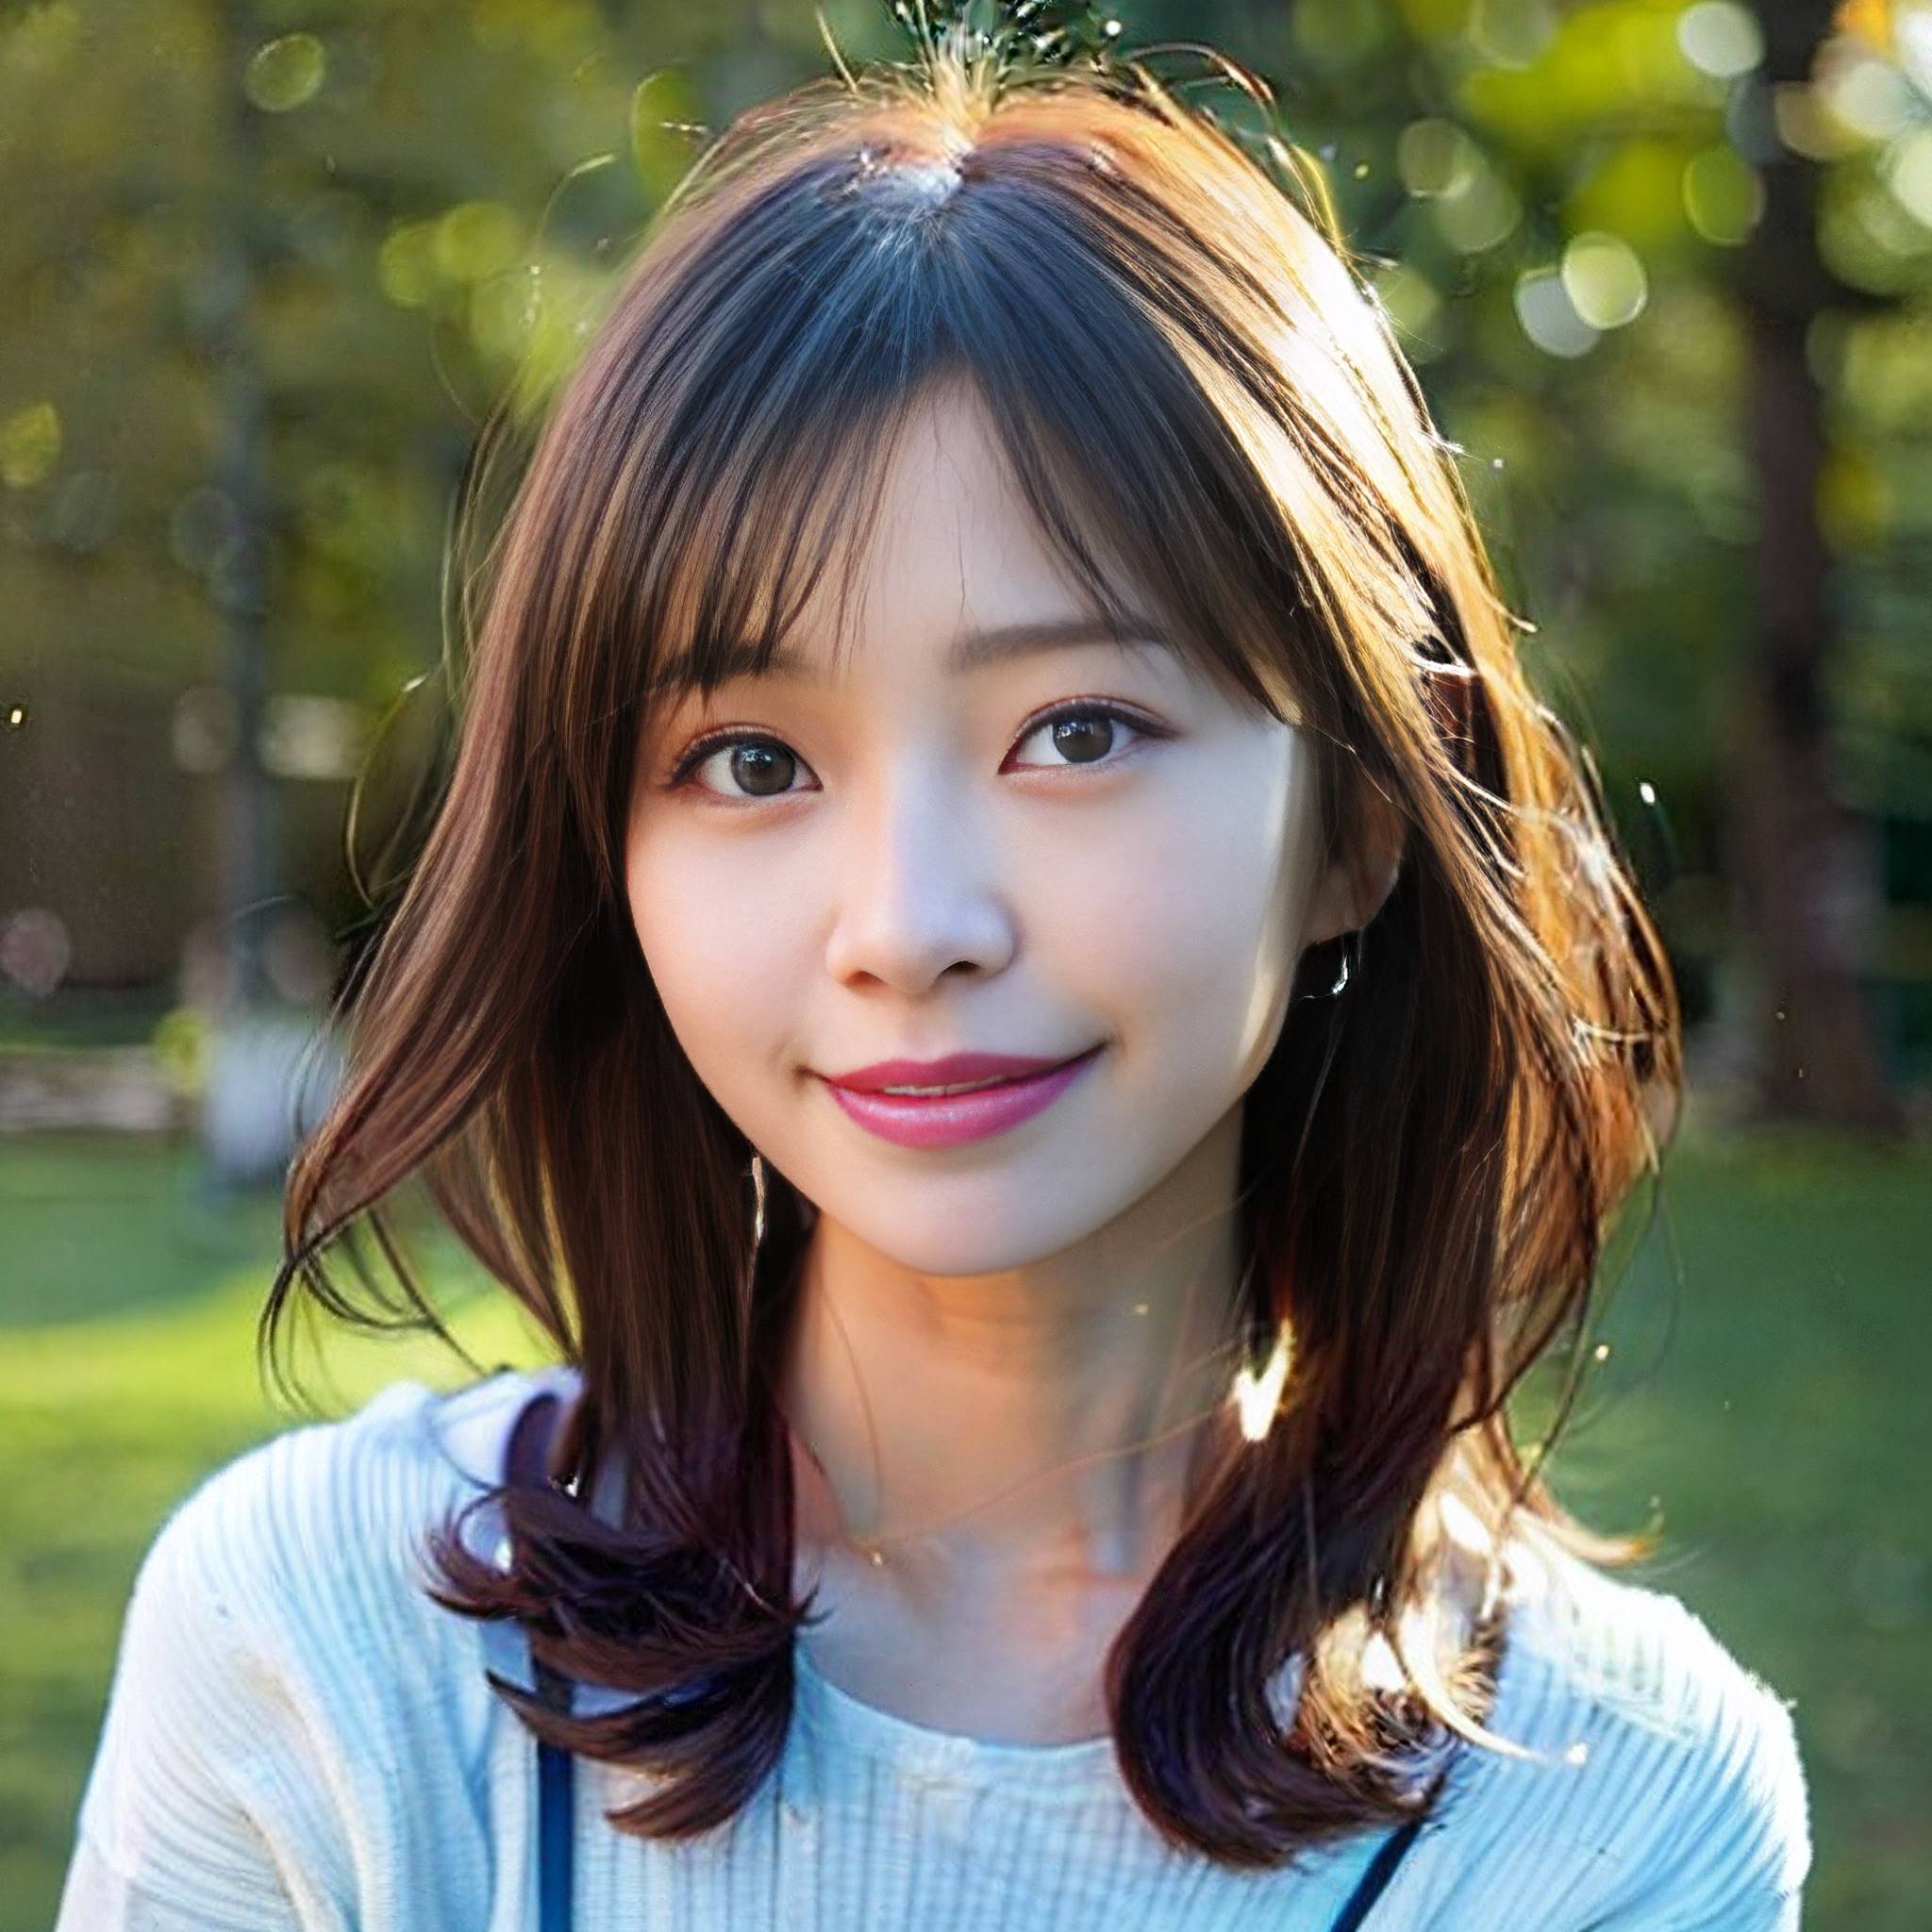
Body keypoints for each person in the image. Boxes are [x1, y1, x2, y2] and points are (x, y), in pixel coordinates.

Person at [56, 18, 1811, 1930]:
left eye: (1074, 729)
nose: (906, 922)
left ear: (1359, 822)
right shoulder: (329, 1647)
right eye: (751, 761)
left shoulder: (1610, 1804)